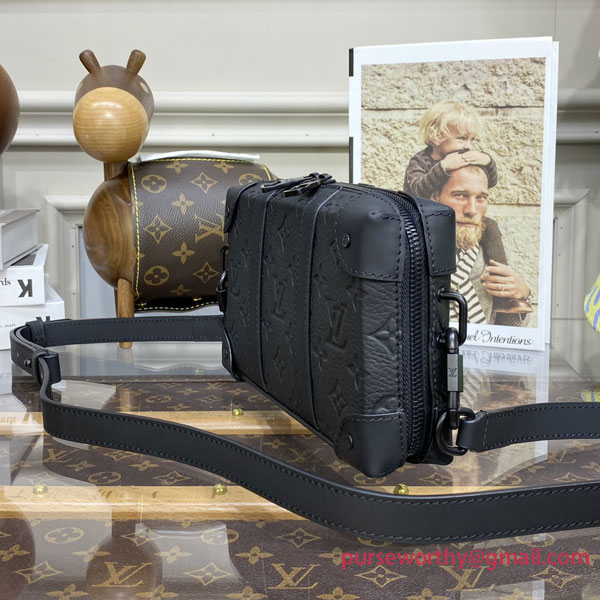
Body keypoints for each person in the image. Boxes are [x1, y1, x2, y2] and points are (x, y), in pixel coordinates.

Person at [431, 165, 532, 326]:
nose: (471, 210)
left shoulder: (494, 254)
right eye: (460, 196)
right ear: (436, 197)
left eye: (481, 198)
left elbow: (509, 330)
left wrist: (522, 294)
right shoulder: (411, 251)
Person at [403, 100, 498, 201]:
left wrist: (488, 162)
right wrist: (443, 167)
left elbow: (491, 182)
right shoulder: (420, 161)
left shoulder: (462, 157)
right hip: (420, 210)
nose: (469, 146)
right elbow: (417, 191)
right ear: (437, 136)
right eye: (462, 138)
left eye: (472, 140)